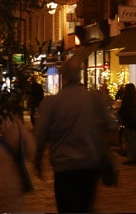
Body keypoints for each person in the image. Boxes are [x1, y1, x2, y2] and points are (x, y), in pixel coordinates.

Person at [34, 65, 116, 214]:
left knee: (67, 208)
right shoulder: (94, 99)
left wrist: (38, 160)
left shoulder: (52, 103)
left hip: (64, 166)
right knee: (85, 206)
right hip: (90, 163)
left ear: (63, 78)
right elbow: (110, 125)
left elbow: (41, 134)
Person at [118, 82, 136, 165]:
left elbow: (123, 111)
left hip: (128, 122)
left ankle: (130, 158)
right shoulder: (135, 100)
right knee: (134, 140)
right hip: (135, 123)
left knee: (129, 141)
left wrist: (121, 118)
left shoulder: (126, 100)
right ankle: (133, 157)